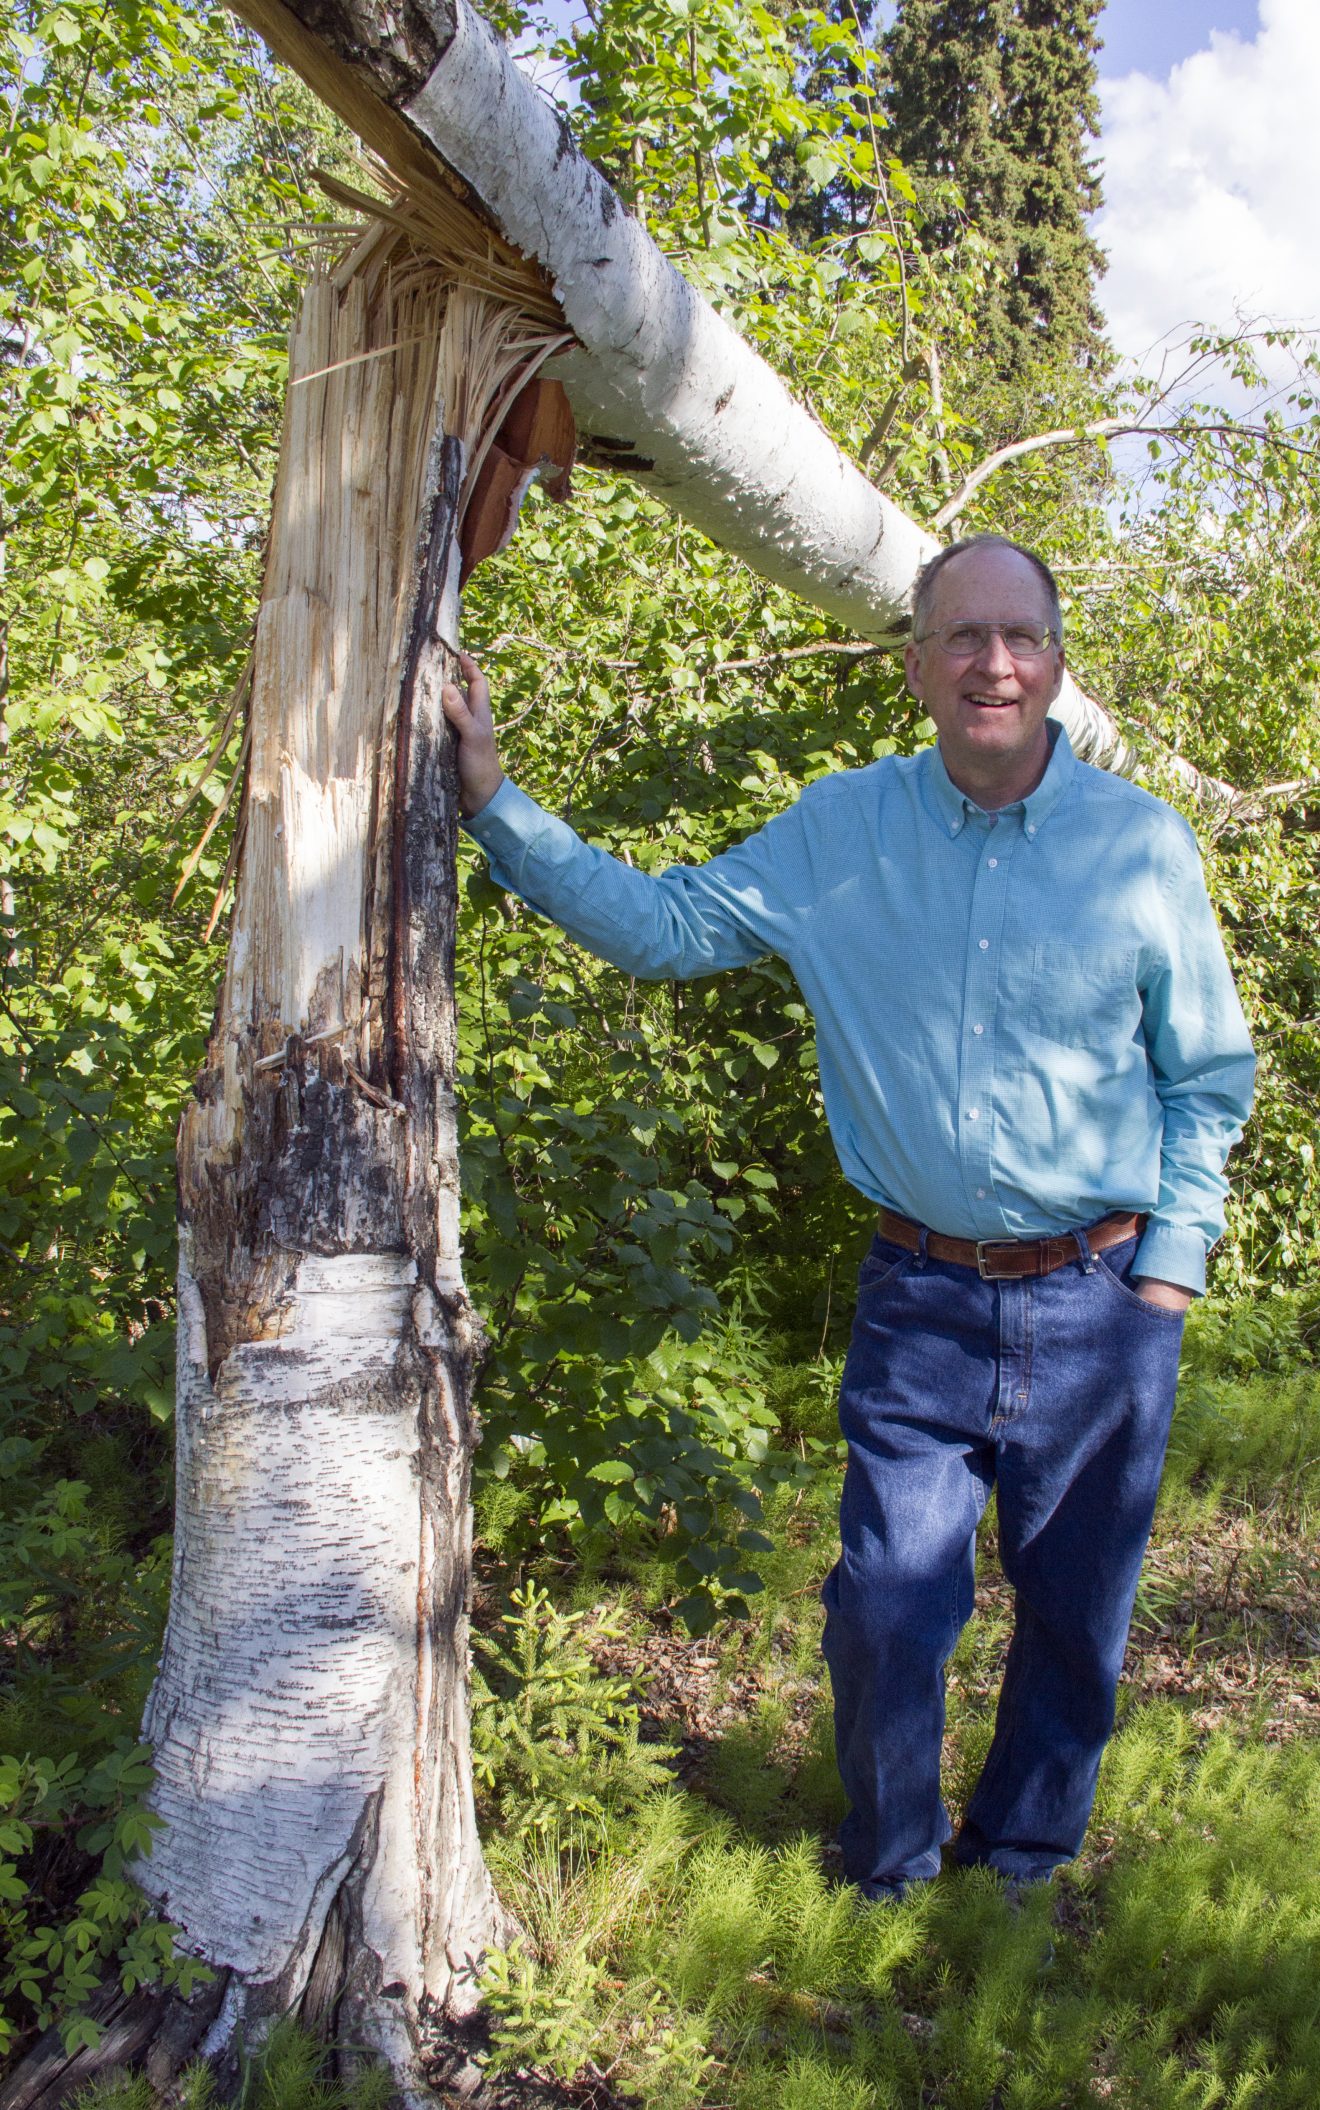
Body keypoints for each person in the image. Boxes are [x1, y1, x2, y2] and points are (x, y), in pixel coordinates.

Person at [441, 533, 1255, 1900]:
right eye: (961, 637)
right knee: (885, 1603)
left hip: (1104, 1297)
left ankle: (1027, 1854)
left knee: (1076, 1613)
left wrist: (1169, 1272)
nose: (993, 663)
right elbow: (667, 926)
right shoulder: (841, 832)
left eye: (1022, 637)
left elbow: (1207, 1074)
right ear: (917, 664)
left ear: (1056, 662)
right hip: (921, 1298)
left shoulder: (1141, 846)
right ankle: (892, 1861)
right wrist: (492, 803)